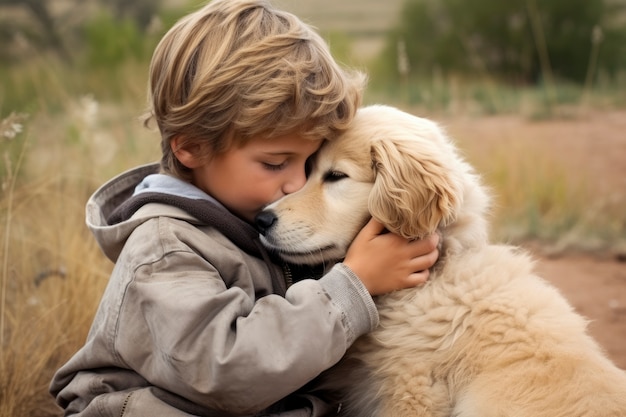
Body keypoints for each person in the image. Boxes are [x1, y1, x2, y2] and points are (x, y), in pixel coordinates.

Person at [49, 0, 440, 415]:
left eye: (308, 163)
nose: (295, 184)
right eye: (275, 163)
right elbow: (222, 373)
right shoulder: (165, 249)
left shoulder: (246, 211)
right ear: (192, 148)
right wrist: (350, 288)